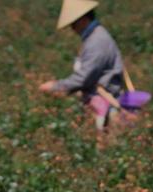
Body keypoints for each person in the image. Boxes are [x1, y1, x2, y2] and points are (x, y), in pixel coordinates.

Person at [39, 0, 125, 131]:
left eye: (73, 23)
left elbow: (84, 78)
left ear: (83, 19)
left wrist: (56, 87)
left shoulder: (97, 41)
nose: (72, 28)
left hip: (105, 108)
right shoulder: (94, 37)